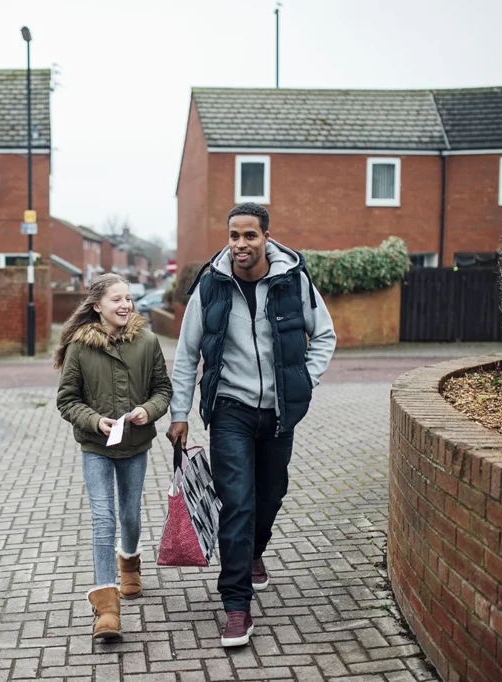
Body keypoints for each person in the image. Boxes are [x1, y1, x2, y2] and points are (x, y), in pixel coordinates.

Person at [167, 202, 337, 648]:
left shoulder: (293, 279)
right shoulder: (211, 285)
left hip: (280, 412)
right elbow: (186, 355)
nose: (241, 245)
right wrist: (180, 414)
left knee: (270, 496)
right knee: (237, 503)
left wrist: (305, 378)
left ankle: (254, 554)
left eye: (249, 236)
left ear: (266, 237)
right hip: (230, 410)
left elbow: (324, 335)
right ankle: (236, 606)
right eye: (234, 236)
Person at [55, 273, 173, 642]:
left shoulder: (148, 341)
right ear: (97, 307)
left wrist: (147, 411)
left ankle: (131, 563)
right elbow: (67, 399)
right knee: (103, 519)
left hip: (135, 444)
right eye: (116, 300)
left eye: (128, 299)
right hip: (96, 446)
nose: (125, 305)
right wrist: (95, 420)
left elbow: (163, 390)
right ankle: (107, 608)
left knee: (130, 514)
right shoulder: (79, 346)